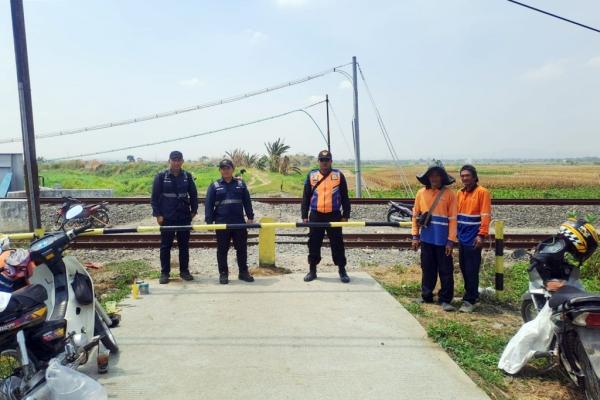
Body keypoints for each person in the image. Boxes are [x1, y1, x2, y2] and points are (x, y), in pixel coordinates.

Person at [411, 160, 458, 312]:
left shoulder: (450, 194)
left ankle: (445, 299)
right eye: (432, 175)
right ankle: (426, 295)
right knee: (427, 268)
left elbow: (453, 219)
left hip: (443, 241)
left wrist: (451, 240)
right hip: (426, 239)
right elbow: (415, 216)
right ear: (427, 177)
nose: (434, 178)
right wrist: (415, 236)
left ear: (442, 178)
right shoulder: (420, 193)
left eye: (437, 175)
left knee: (446, 270)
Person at [301, 150, 351, 283]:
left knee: (337, 243)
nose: (324, 163)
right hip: (316, 215)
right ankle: (312, 270)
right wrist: (304, 215)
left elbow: (345, 197)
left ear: (331, 161)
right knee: (313, 243)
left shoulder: (338, 175)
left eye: (327, 160)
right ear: (318, 161)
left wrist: (346, 215)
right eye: (322, 160)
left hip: (334, 215)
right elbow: (306, 196)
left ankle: (342, 270)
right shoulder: (312, 175)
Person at [205, 159, 255, 284]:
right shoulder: (214, 186)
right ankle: (223, 274)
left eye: (228, 168)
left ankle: (243, 272)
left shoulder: (240, 184)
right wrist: (209, 221)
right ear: (220, 170)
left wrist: (250, 216)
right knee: (222, 250)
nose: (225, 170)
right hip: (222, 223)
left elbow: (247, 201)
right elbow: (208, 205)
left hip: (239, 223)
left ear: (232, 169)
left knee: (242, 249)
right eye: (223, 168)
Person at [151, 151, 198, 284]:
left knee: (184, 246)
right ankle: (165, 273)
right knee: (166, 246)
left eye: (179, 160)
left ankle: (184, 271)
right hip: (167, 217)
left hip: (184, 216)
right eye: (174, 160)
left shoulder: (187, 176)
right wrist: (158, 214)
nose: (176, 163)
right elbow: (154, 198)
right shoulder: (161, 176)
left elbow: (193, 195)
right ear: (169, 161)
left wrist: (194, 211)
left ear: (182, 161)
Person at [456, 165, 492, 313]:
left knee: (472, 269)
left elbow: (485, 215)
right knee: (464, 267)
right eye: (462, 176)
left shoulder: (482, 192)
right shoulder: (460, 193)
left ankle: (471, 299)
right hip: (462, 236)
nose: (464, 178)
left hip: (473, 237)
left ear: (474, 176)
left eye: (467, 176)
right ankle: (469, 294)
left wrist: (481, 235)